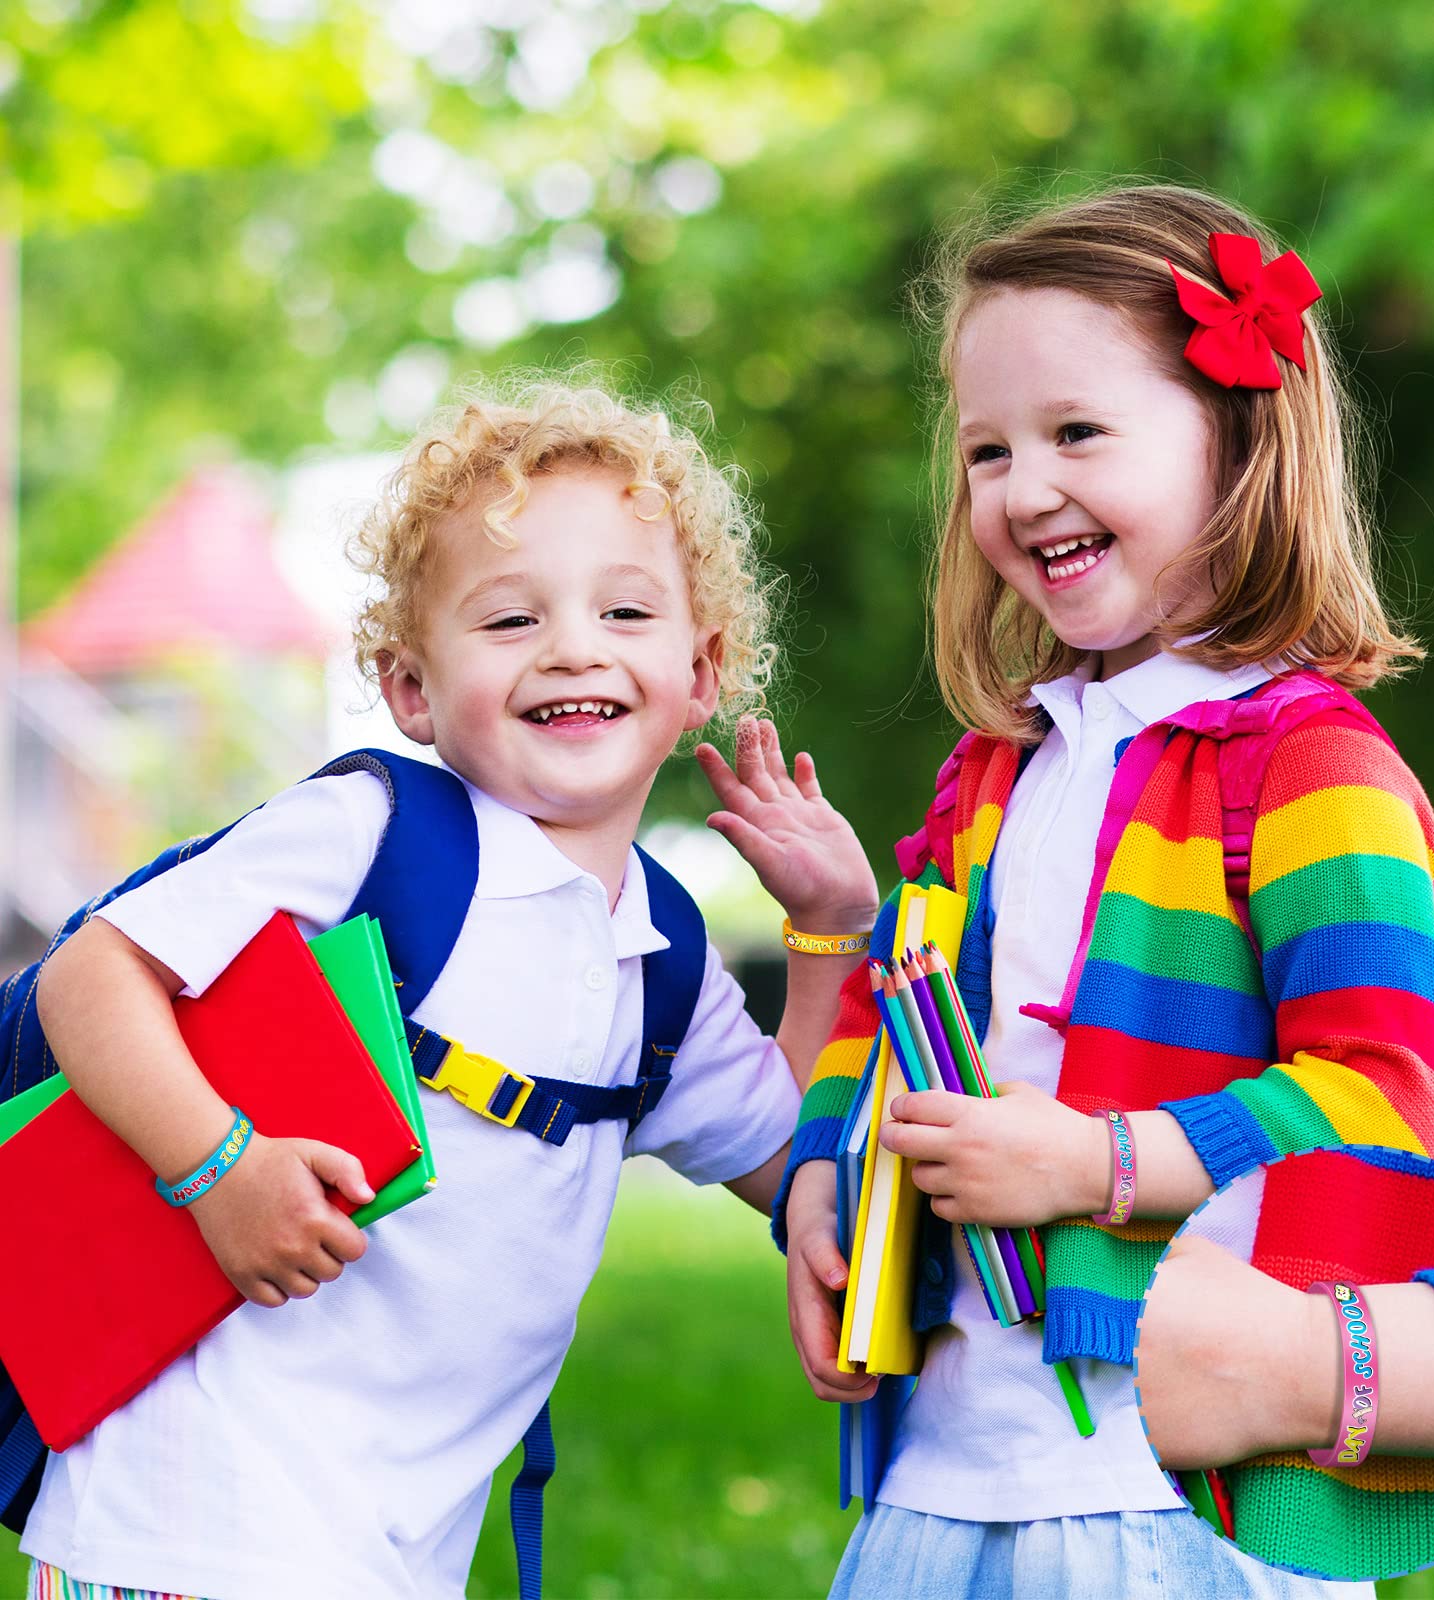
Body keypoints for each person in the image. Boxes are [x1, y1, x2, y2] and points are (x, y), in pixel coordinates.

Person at [712, 183, 1434, 1596]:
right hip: (950, 1466)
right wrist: (821, 1176)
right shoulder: (994, 772)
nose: (1023, 487)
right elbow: (892, 1004)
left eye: (1076, 433)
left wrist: (1101, 1165)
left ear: (1237, 439)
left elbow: (1385, 1092)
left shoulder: (1309, 764)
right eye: (987, 449)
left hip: (1182, 1486)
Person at [21, 379, 880, 1600]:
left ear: (703, 670)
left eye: (624, 609)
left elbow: (798, 1161)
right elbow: (93, 972)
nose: (573, 646)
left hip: (393, 1551)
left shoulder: (662, 956)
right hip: (193, 1514)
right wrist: (218, 1166)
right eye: (509, 620)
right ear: (412, 688)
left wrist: (829, 937)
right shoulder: (371, 829)